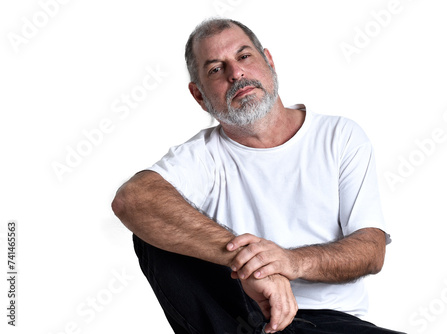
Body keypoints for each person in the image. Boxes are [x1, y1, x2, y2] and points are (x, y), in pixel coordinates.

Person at [112, 18, 405, 334]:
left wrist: (287, 263)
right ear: (199, 96)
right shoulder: (200, 157)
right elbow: (133, 199)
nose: (236, 73)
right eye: (215, 69)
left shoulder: (339, 136)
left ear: (269, 61)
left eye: (244, 56)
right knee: (153, 227)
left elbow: (371, 250)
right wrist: (250, 262)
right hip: (240, 320)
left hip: (330, 323)